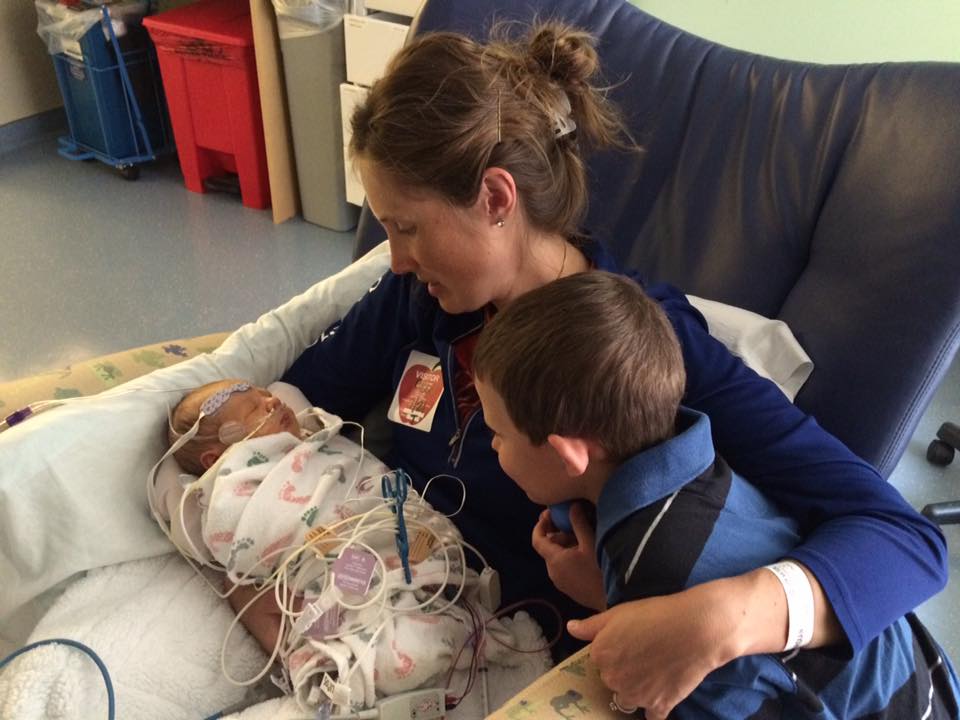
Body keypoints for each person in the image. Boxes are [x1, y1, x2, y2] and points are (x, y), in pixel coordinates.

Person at [281, 20, 948, 718]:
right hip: (378, 595)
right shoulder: (426, 298)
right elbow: (297, 395)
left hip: (520, 662)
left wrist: (722, 620)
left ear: (498, 199)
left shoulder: (643, 354)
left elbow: (903, 540)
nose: (394, 259)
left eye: (407, 227)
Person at [472, 270, 960, 718]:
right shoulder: (691, 450)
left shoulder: (654, 567)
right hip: (928, 675)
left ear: (568, 454)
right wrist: (608, 593)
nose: (492, 442)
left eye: (499, 432)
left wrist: (624, 593)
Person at [153, 379, 513, 712]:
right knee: (254, 593)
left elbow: (364, 474)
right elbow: (241, 540)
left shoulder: (320, 441)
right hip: (335, 574)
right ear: (216, 458)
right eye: (254, 409)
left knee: (409, 588)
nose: (272, 400)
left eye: (267, 395)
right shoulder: (234, 484)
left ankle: (432, 610)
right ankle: (342, 665)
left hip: (393, 541)